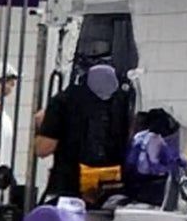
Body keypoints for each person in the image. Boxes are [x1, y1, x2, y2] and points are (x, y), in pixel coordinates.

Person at [33, 62, 134, 204]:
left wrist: (40, 126)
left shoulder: (64, 101)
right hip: (111, 190)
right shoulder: (122, 101)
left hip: (70, 191)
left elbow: (43, 149)